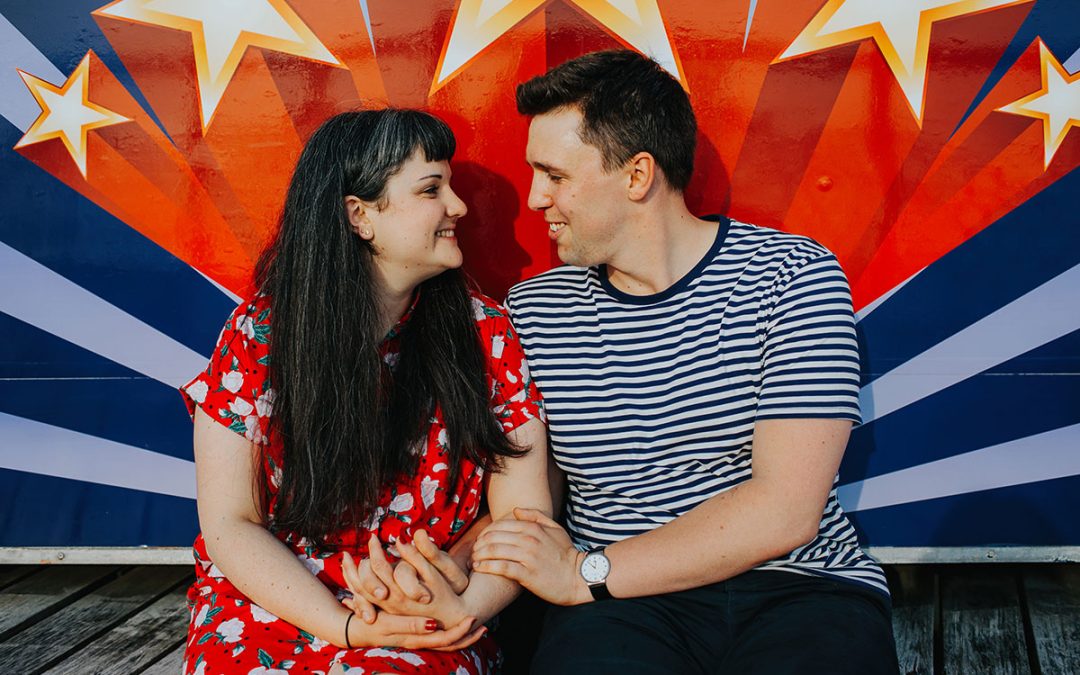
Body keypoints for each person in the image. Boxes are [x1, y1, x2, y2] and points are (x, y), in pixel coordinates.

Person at [468, 50, 900, 673]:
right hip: (616, 612)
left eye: (554, 175)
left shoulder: (791, 277)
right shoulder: (535, 311)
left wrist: (585, 571)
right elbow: (530, 495)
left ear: (637, 175)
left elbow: (786, 509)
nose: (536, 198)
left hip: (799, 589)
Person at [179, 109, 550, 675]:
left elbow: (522, 515)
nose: (458, 207)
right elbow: (230, 522)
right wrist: (345, 628)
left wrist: (458, 612)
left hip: (431, 604)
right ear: (360, 215)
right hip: (279, 601)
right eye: (432, 189)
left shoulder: (488, 337)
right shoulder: (260, 337)